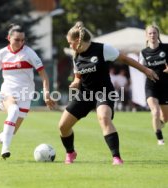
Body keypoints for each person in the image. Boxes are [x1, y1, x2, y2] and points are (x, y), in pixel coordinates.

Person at [59, 21, 158, 165]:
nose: (69, 46)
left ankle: (116, 157)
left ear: (78, 41)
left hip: (104, 93)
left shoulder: (103, 49)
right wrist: (76, 81)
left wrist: (146, 70)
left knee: (104, 117)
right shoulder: (76, 54)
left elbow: (125, 59)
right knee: (63, 126)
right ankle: (70, 153)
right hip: (84, 94)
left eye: (70, 43)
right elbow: (78, 73)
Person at [0, 24, 55, 160]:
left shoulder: (29, 53)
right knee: (13, 111)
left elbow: (43, 74)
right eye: (17, 39)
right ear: (8, 38)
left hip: (25, 94)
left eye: (23, 40)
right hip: (7, 91)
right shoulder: (2, 53)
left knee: (12, 132)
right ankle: (6, 149)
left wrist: (46, 93)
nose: (20, 42)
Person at [139, 24, 168, 145]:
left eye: (154, 33)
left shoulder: (166, 48)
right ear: (146, 36)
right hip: (151, 86)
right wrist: (147, 72)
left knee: (165, 118)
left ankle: (158, 125)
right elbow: (141, 67)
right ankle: (159, 138)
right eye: (150, 33)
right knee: (155, 111)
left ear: (158, 35)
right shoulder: (144, 52)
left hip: (165, 86)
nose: (152, 35)